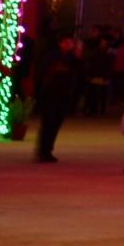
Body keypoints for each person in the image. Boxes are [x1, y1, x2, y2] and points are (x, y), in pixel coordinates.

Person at [33, 34, 80, 162]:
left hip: (63, 95)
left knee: (56, 123)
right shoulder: (52, 55)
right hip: (50, 95)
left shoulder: (71, 57)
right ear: (61, 43)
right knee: (48, 123)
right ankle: (43, 150)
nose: (69, 44)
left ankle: (47, 150)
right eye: (67, 42)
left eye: (71, 42)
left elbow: (77, 71)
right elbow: (45, 72)